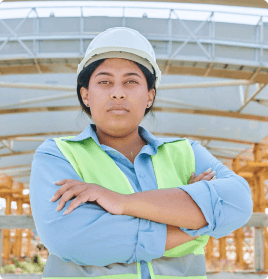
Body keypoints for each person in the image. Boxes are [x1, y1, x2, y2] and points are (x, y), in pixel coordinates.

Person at [29, 27, 253, 279]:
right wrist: (194, 225)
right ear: (86, 95)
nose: (117, 92)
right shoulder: (57, 155)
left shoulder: (186, 152)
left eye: (131, 81)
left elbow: (238, 202)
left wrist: (121, 203)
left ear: (149, 96)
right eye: (104, 82)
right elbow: (72, 239)